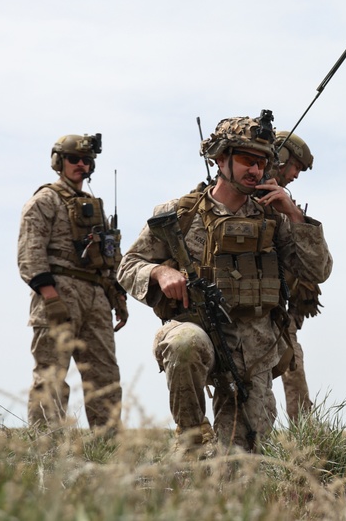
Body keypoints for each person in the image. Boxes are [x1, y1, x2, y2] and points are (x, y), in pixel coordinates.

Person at [117, 113, 333, 456]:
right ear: (220, 159)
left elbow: (318, 270)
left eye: (262, 162)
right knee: (184, 343)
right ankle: (190, 439)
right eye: (248, 160)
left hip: (255, 354)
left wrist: (294, 215)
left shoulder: (273, 217)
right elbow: (128, 265)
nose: (256, 170)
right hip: (200, 335)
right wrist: (159, 274)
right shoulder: (178, 215)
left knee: (244, 462)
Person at [17, 133, 128, 433]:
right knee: (51, 373)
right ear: (59, 161)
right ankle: (46, 446)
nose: (81, 165)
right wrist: (50, 296)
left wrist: (117, 297)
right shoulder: (45, 200)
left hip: (95, 296)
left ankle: (108, 447)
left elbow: (107, 257)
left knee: (105, 377)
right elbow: (30, 252)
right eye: (74, 159)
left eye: (87, 160)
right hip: (59, 291)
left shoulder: (94, 207)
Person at [271, 131, 324, 423]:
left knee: (292, 366)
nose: (296, 176)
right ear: (281, 158)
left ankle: (304, 435)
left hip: (278, 308)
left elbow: (316, 266)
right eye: (296, 168)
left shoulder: (283, 204)